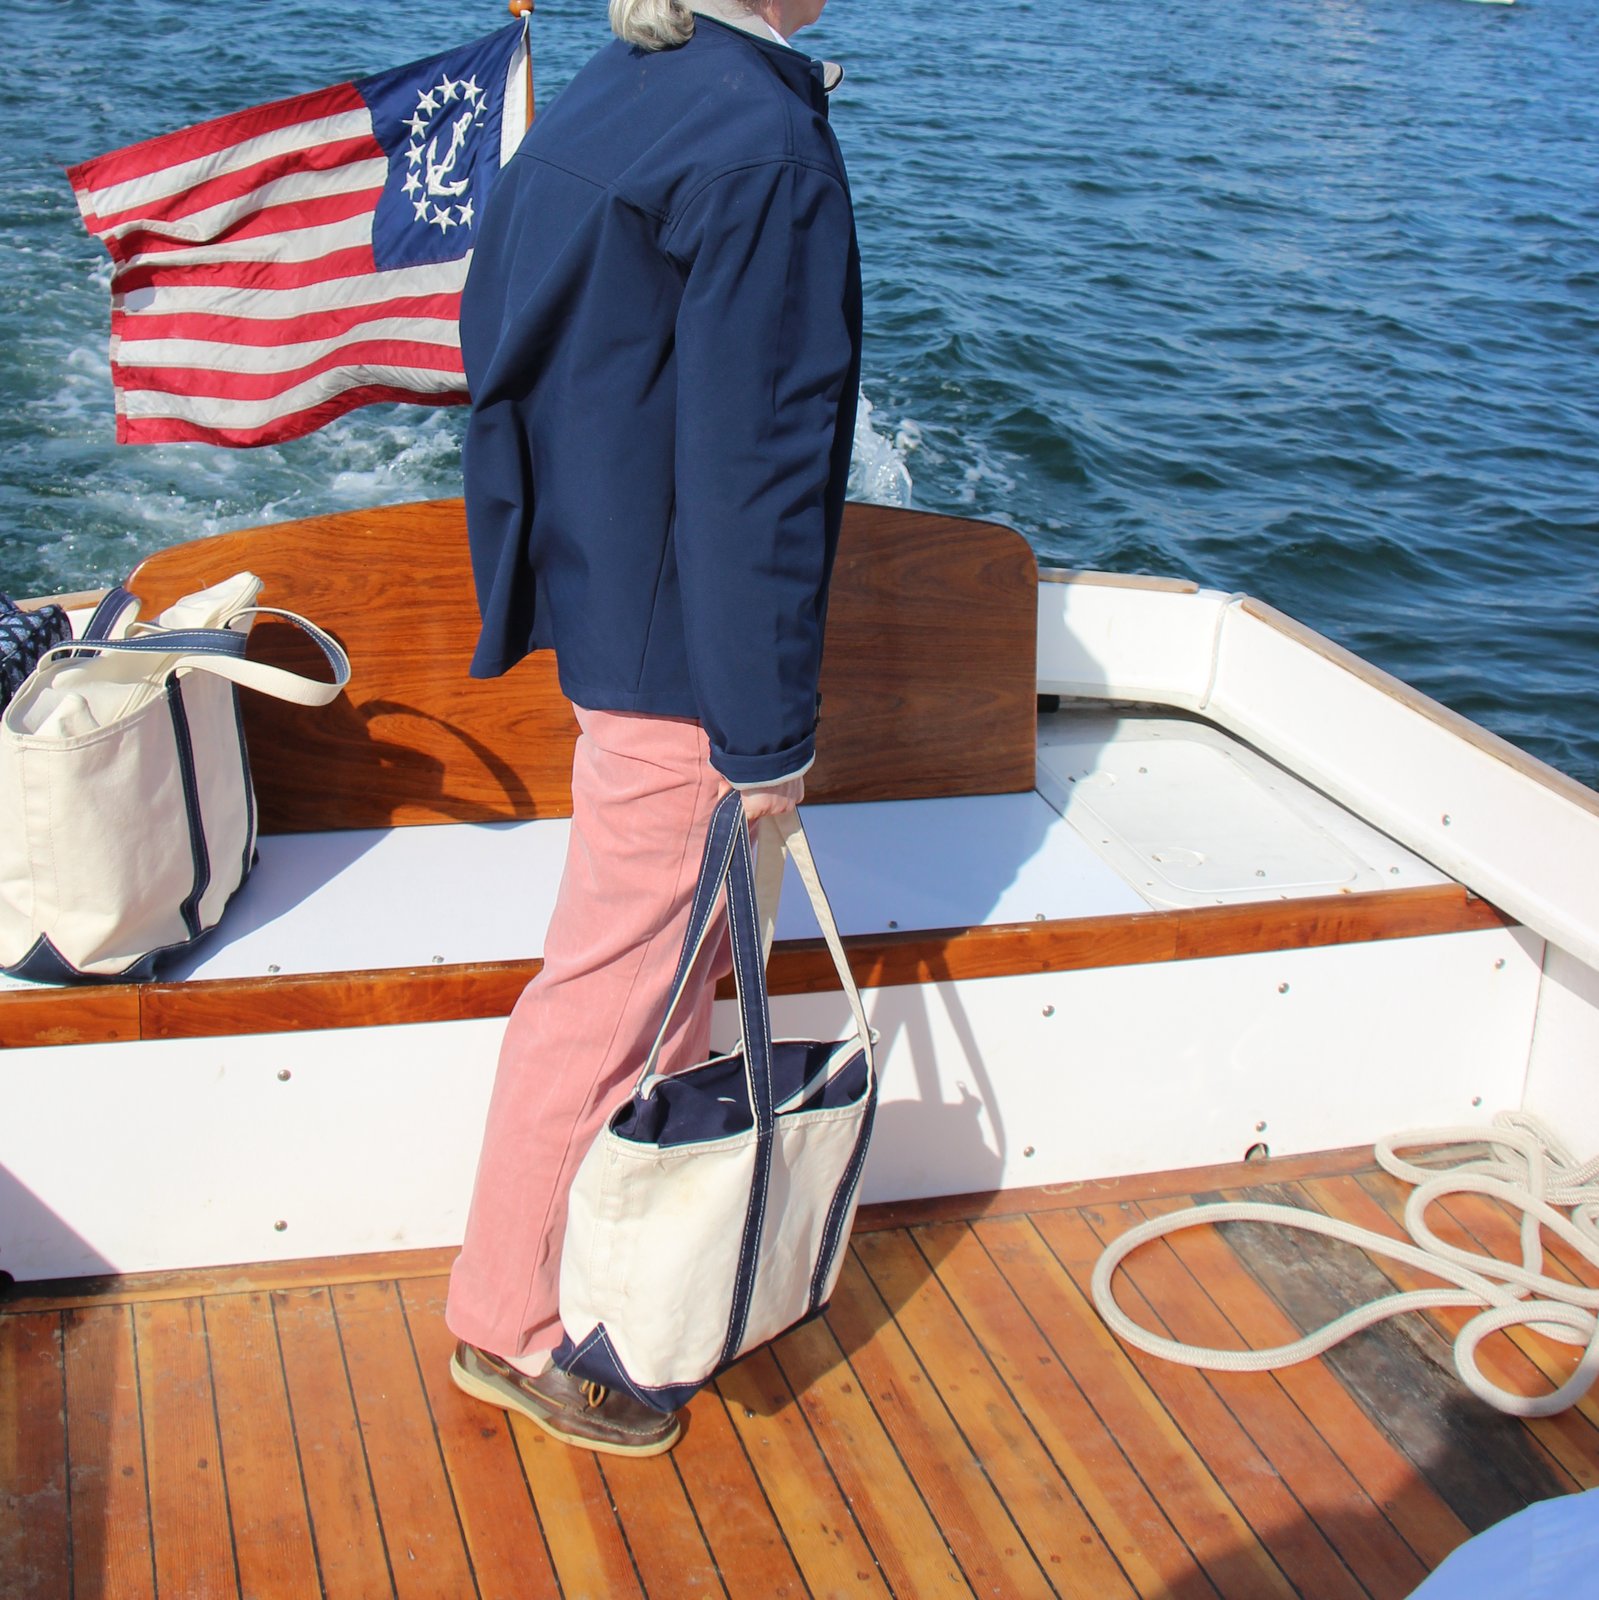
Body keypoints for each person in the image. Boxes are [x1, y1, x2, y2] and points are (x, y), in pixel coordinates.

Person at [444, 0, 862, 1458]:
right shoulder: (762, 144)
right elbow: (759, 469)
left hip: (620, 609)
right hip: (690, 662)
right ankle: (511, 1320)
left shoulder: (632, 89)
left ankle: (610, 1274)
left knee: (651, 981)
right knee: (616, 989)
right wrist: (765, 737)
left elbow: (499, 333)